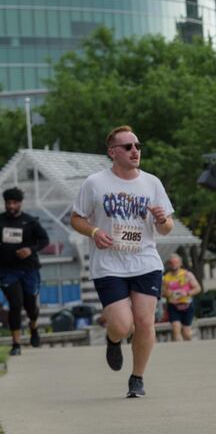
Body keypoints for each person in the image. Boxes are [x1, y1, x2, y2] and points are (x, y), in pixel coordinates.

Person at [69, 126, 173, 399]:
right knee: (122, 325)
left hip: (145, 261)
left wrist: (162, 219)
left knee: (144, 322)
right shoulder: (95, 183)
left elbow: (166, 228)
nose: (135, 151)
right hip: (109, 264)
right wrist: (93, 231)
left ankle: (137, 378)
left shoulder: (152, 183)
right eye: (127, 147)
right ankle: (113, 340)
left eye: (137, 146)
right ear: (112, 152)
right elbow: (76, 218)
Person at [1, 187, 50, 355]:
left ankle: (34, 327)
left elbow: (45, 240)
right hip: (7, 271)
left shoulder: (30, 222)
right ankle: (16, 344)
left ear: (20, 204)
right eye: (8, 203)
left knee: (30, 306)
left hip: (29, 269)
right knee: (15, 305)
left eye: (15, 203)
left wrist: (30, 249)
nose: (11, 206)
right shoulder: (0, 221)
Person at [160, 254, 202, 342]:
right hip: (173, 306)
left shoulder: (187, 275)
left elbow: (198, 288)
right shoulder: (166, 277)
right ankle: (180, 348)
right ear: (169, 264)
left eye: (176, 262)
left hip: (187, 305)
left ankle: (190, 345)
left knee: (186, 333)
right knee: (176, 329)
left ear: (180, 263)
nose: (174, 264)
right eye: (172, 263)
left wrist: (187, 293)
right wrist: (167, 293)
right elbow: (162, 293)